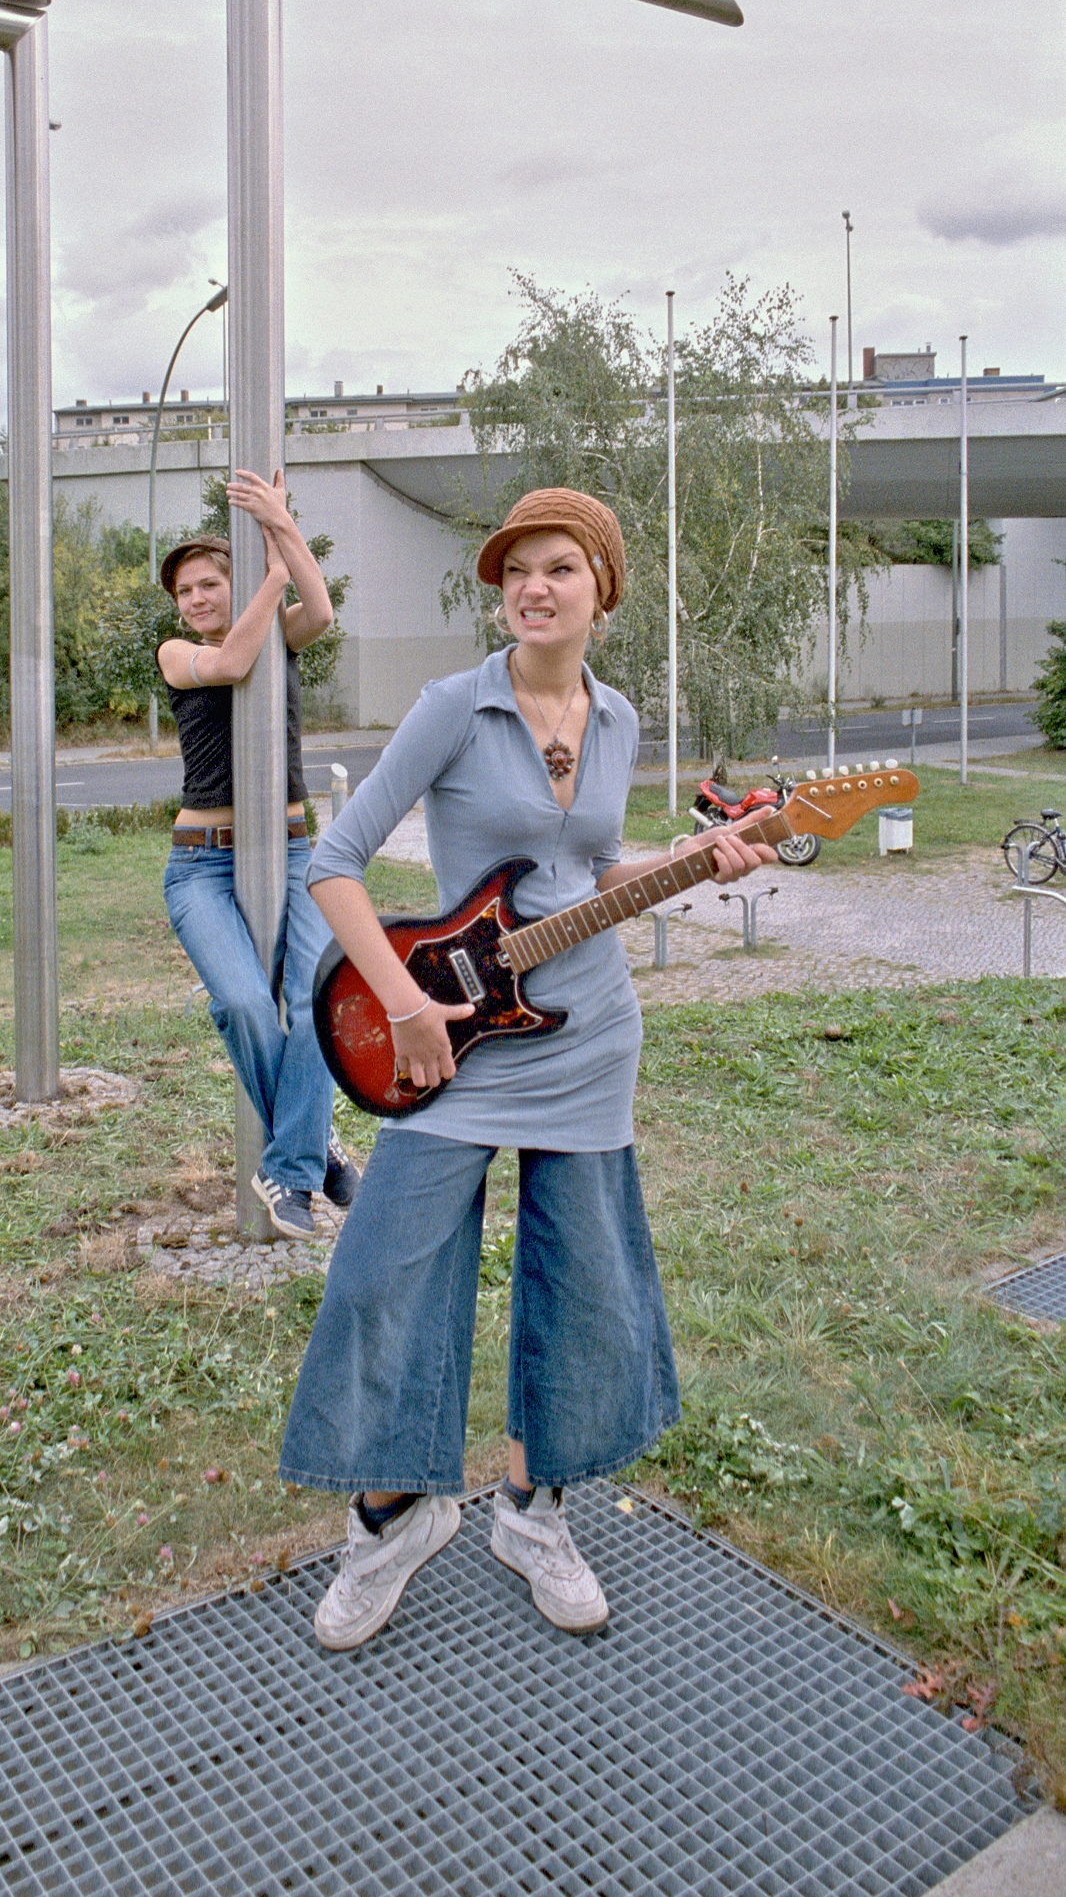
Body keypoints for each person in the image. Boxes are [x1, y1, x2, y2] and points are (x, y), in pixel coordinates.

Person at [279, 487, 777, 1650]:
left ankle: (532, 1510)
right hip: (451, 1037)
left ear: (603, 587)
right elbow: (335, 865)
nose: (532, 588)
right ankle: (394, 1518)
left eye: (558, 568)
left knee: (583, 1279)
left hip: (587, 1031)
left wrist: (689, 861)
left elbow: (588, 876)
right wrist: (407, 1008)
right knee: (382, 1272)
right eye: (516, 570)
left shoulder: (619, 719)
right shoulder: (454, 707)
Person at [157, 467, 361, 1239]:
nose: (196, 599)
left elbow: (322, 608)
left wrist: (280, 524)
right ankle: (315, 1148)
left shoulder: (280, 637)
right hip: (202, 865)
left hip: (296, 852)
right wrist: (271, 575)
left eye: (210, 584)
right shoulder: (177, 653)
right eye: (185, 591)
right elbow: (229, 665)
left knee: (315, 1007)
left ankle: (292, 1168)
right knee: (243, 1004)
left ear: (235, 583)